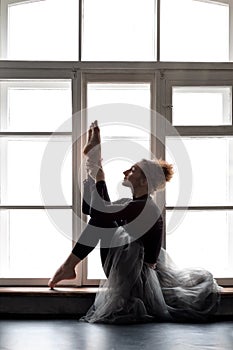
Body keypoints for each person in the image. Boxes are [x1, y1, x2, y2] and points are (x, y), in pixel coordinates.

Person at [48, 121, 221, 324]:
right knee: (100, 220)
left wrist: (97, 170)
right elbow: (92, 210)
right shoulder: (134, 204)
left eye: (132, 170)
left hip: (137, 281)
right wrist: (93, 172)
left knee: (100, 222)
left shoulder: (143, 207)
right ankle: (68, 267)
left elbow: (98, 214)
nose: (125, 172)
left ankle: (68, 266)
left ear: (143, 180)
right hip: (131, 270)